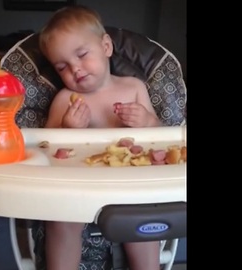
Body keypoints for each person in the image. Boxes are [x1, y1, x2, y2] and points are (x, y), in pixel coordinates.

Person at [39, 5, 161, 270]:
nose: (75, 69)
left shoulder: (134, 88)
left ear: (106, 46)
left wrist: (147, 122)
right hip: (78, 184)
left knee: (141, 218)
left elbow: (160, 139)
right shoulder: (65, 101)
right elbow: (45, 147)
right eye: (62, 67)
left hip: (128, 184)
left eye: (82, 55)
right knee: (61, 221)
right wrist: (68, 130)